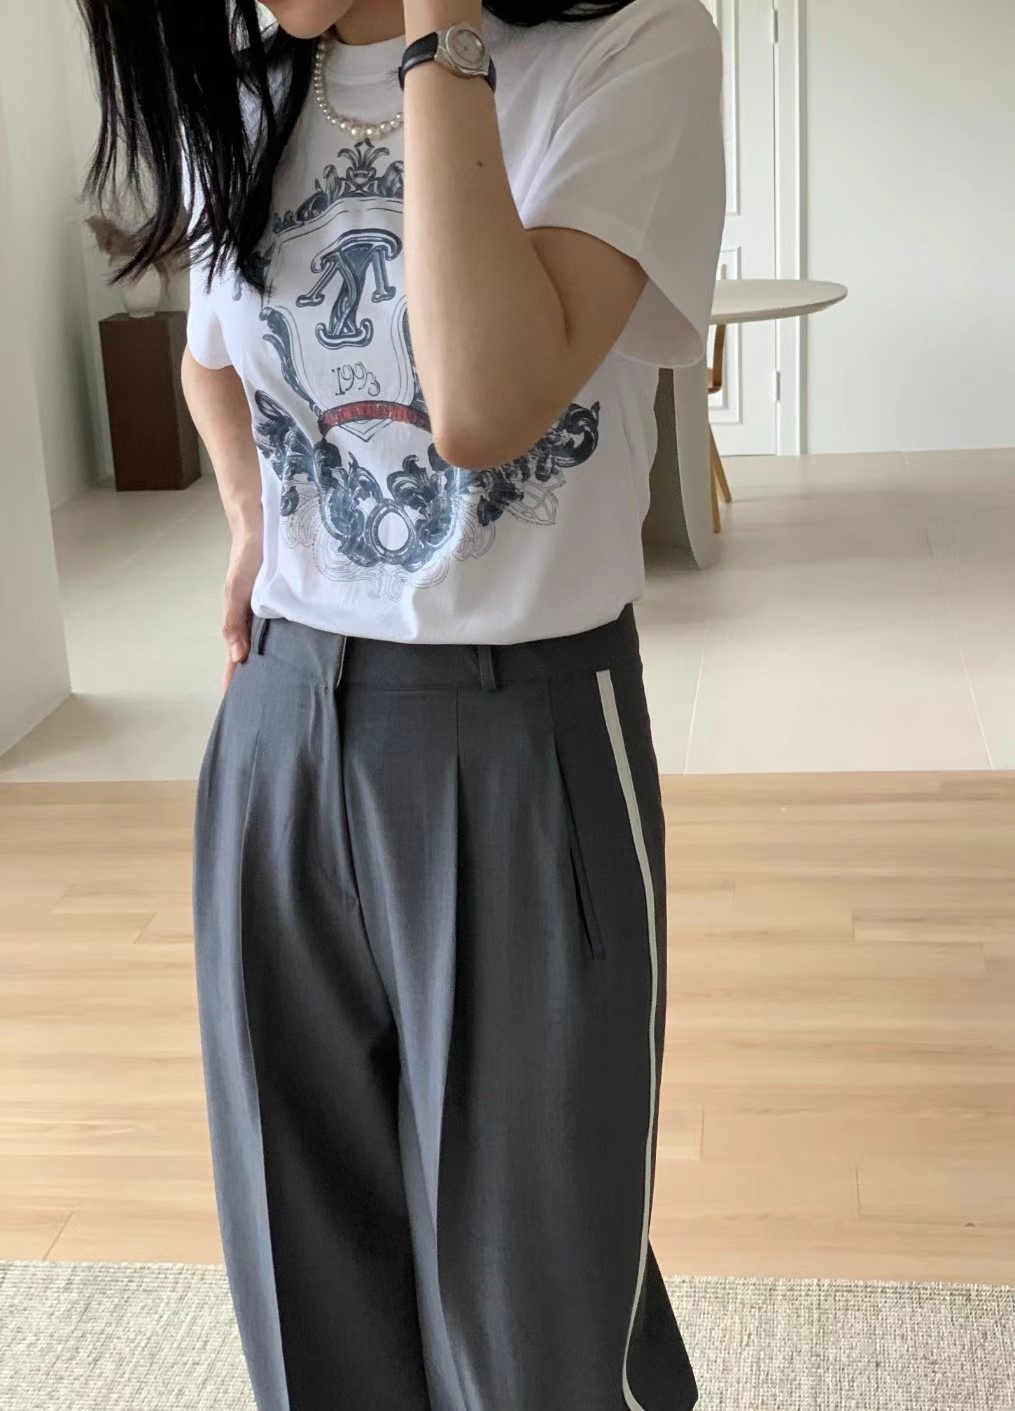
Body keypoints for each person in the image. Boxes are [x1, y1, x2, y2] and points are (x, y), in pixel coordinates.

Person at [80, 0, 725, 1404]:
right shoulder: (253, 82)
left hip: (525, 731)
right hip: (281, 727)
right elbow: (210, 351)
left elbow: (484, 402)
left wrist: (442, 34)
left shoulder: (631, 50)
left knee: (539, 1303)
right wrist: (251, 517)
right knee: (307, 1268)